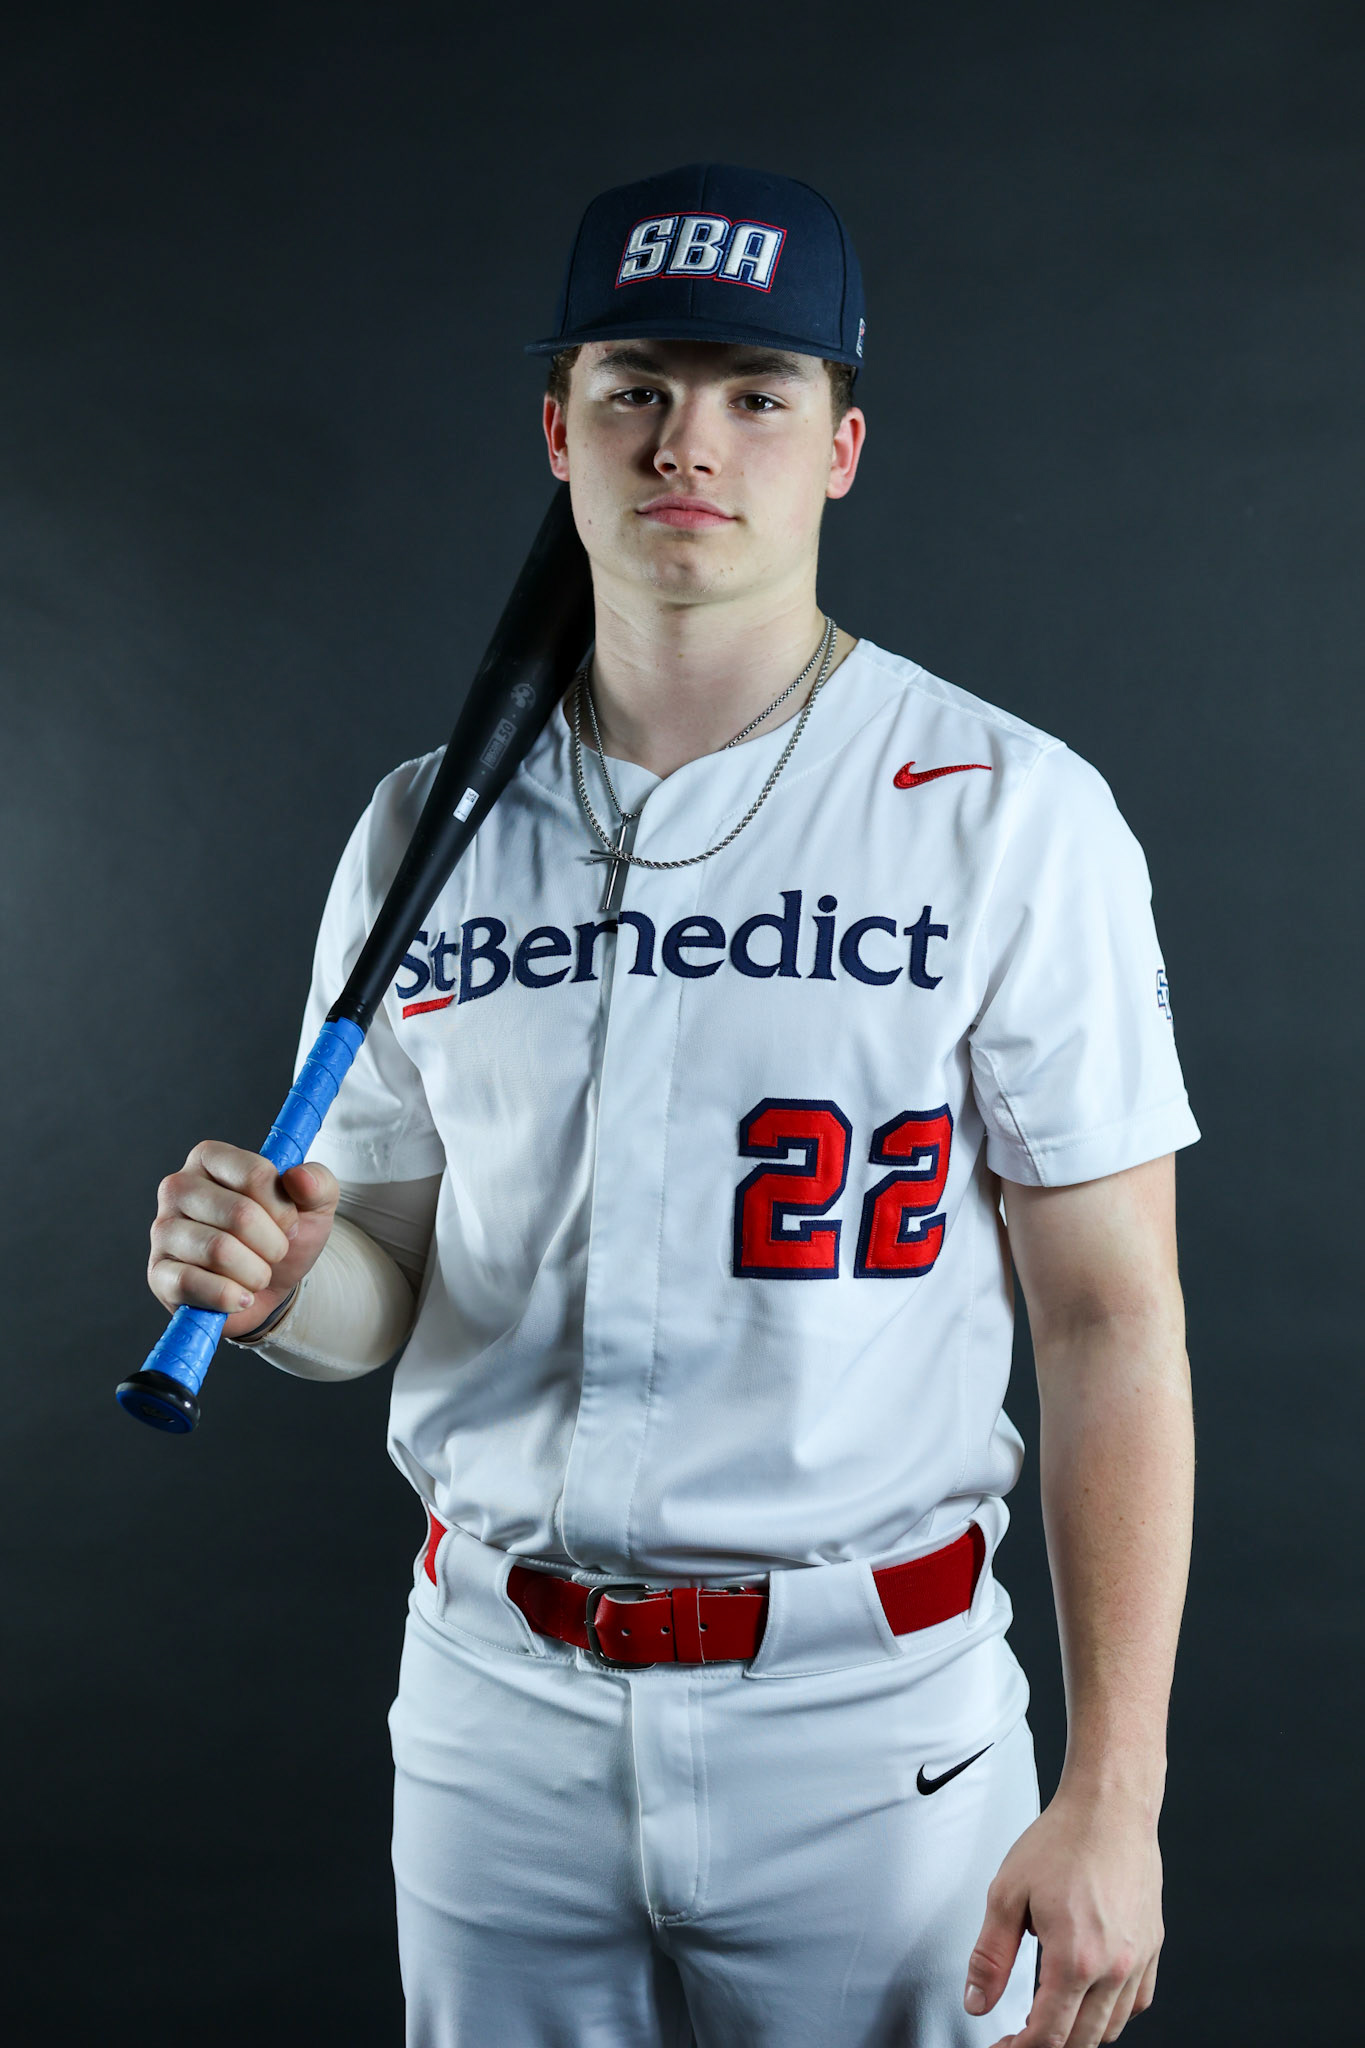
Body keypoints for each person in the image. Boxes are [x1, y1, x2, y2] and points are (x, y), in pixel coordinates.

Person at [147, 164, 1198, 2048]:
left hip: (871, 1724)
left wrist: (1111, 1795)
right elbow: (377, 1278)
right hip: (494, 1708)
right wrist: (280, 1283)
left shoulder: (1004, 811)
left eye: (753, 392)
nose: (685, 440)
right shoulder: (417, 834)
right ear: (558, 431)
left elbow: (1112, 1320)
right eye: (634, 387)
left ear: (841, 447)